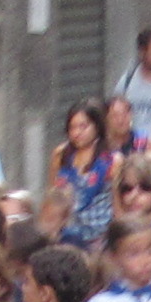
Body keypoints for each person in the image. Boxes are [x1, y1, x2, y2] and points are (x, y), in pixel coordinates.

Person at [51, 101, 118, 246]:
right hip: (66, 237)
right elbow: (53, 196)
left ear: (97, 127)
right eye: (72, 127)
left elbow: (117, 205)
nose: (77, 133)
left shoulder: (112, 160)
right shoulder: (61, 155)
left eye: (83, 127)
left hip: (100, 238)